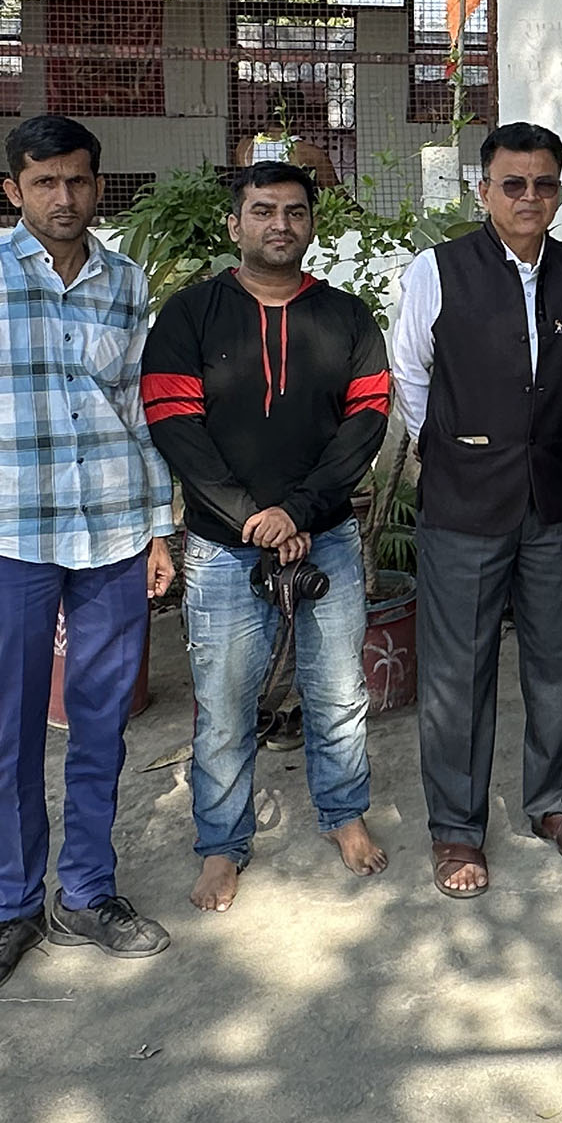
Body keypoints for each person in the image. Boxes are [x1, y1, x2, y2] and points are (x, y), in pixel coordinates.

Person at [0, 115, 179, 999]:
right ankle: (10, 907)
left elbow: (140, 417)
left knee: (101, 726)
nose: (64, 198)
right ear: (13, 190)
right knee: (14, 732)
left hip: (108, 536)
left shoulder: (125, 284)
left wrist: (157, 529)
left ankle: (89, 893)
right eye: (45, 182)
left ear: (100, 186)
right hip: (7, 540)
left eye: (78, 181)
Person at [140, 160, 393, 913]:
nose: (279, 224)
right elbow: (173, 423)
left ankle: (344, 816)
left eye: (293, 212)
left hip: (328, 538)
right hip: (223, 544)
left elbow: (367, 421)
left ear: (312, 225)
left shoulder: (347, 317)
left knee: (338, 691)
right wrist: (250, 515)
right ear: (234, 224)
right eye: (261, 211)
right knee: (223, 701)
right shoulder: (190, 316)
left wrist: (303, 511)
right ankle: (222, 845)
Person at [393, 121, 562, 895]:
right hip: (463, 503)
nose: (529, 197)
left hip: (549, 500)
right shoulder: (438, 270)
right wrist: (449, 448)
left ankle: (550, 801)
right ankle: (456, 828)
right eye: (513, 184)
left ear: (559, 193)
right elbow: (411, 371)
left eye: (544, 184)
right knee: (459, 673)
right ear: (483, 191)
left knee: (554, 664)